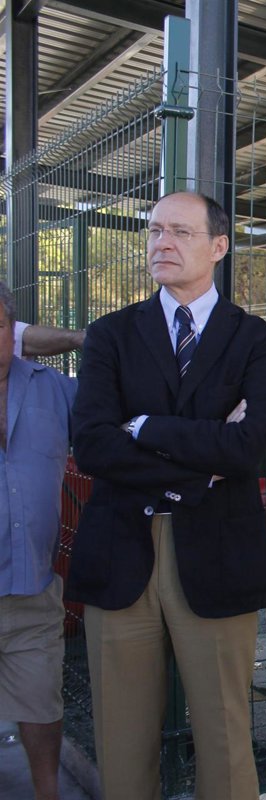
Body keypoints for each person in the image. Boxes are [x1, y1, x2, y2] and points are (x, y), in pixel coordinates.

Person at [68, 191, 266, 800]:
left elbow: (244, 449)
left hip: (217, 551)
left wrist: (143, 427)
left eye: (180, 232)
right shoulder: (110, 334)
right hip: (121, 550)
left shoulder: (255, 339)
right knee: (121, 736)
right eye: (155, 230)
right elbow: (92, 445)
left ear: (219, 246)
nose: (162, 242)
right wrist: (196, 468)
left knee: (225, 735)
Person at [0, 282, 78, 800]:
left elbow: (115, 420)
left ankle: (47, 794)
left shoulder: (53, 389)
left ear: (14, 330)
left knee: (41, 704)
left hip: (32, 587)